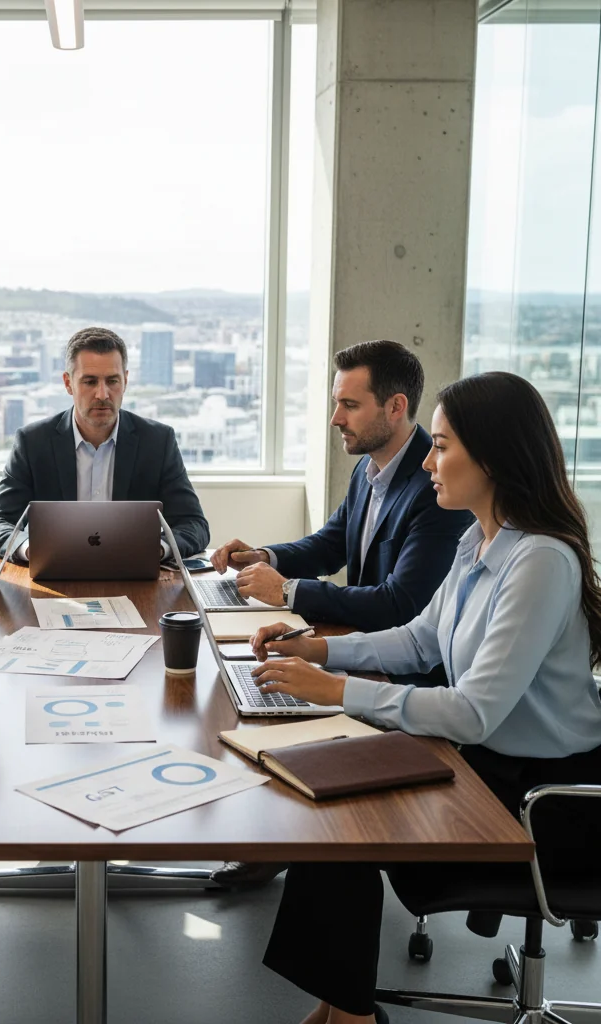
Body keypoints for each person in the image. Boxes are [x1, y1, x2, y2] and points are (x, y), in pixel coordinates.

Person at [250, 372, 601, 1024]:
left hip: (542, 803)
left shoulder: (542, 562)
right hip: (485, 766)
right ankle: (340, 1012)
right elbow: (417, 642)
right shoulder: (480, 539)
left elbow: (473, 710)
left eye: (441, 447)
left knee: (345, 816)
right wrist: (316, 649)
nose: (428, 461)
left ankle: (346, 1018)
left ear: (491, 458)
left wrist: (338, 692)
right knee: (330, 806)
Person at [210, 339, 472, 888]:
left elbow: (401, 604)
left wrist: (290, 593)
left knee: (282, 705)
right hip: (372, 648)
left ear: (395, 408)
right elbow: (333, 542)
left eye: (350, 405)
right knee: (259, 688)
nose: (335, 419)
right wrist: (268, 556)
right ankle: (279, 837)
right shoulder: (372, 467)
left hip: (407, 673)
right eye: (337, 403)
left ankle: (296, 842)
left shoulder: (435, 488)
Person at [0, 326, 210, 561]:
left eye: (112, 381)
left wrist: (158, 549)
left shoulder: (157, 442)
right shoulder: (33, 443)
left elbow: (194, 525)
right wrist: (29, 548)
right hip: (54, 577)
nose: (102, 394)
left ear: (126, 381)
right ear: (68, 383)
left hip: (135, 577)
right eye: (90, 382)